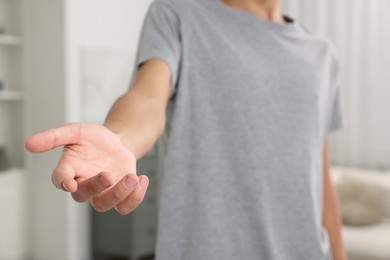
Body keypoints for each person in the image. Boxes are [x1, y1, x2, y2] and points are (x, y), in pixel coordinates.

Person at [25, 0, 347, 259]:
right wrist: (120, 138)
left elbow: (317, 172)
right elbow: (148, 97)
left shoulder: (322, 54)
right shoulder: (176, 14)